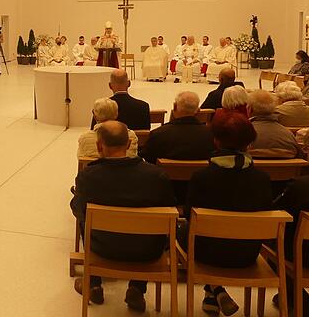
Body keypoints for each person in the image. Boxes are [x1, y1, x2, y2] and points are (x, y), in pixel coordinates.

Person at [70, 121, 175, 312]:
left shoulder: (89, 176)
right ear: (128, 145)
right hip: (147, 252)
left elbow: (78, 211)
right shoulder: (156, 175)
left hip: (103, 248)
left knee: (84, 215)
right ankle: (137, 287)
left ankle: (93, 284)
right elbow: (169, 210)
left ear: (99, 145)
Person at [184, 110, 272, 316]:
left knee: (184, 229)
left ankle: (215, 289)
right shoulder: (262, 179)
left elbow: (189, 216)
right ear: (248, 144)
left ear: (216, 141)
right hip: (246, 254)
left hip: (205, 254)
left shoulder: (201, 177)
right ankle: (214, 294)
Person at [272, 124, 309, 315]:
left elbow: (276, 216)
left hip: (307, 256)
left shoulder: (301, 187)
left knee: (272, 237)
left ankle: (295, 296)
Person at [140, 92, 215, 163]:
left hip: (164, 176)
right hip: (201, 176)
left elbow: (148, 157)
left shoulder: (158, 134)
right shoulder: (211, 135)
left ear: (175, 107)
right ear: (198, 111)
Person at [247, 90, 302, 159]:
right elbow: (300, 157)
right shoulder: (289, 135)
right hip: (287, 169)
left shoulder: (242, 134)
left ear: (249, 110)